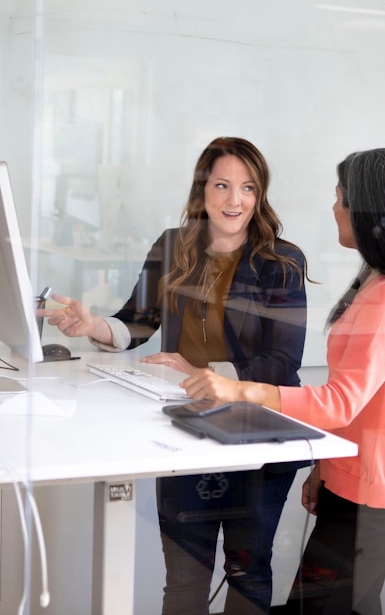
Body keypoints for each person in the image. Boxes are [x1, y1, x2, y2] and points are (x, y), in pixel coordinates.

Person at [41, 136, 310, 614]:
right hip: (188, 430)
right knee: (185, 580)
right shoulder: (172, 246)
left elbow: (282, 362)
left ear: (260, 194)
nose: (235, 200)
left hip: (258, 432)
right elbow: (138, 322)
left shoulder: (281, 262)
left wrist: (200, 370)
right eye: (223, 185)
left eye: (247, 188)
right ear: (202, 190)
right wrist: (93, 325)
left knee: (249, 573)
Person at [180, 147, 385, 615]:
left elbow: (340, 401)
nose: (334, 206)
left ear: (370, 209)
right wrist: (326, 466)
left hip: (376, 494)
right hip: (355, 481)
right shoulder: (377, 279)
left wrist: (237, 387)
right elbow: (363, 396)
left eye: (341, 196)